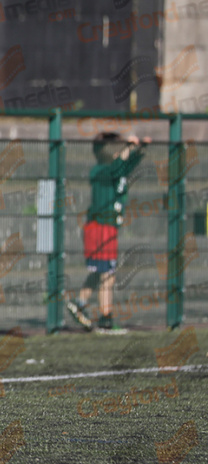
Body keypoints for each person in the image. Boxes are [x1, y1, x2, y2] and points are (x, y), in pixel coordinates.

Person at [67, 133, 150, 332]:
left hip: (108, 227)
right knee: (107, 273)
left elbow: (125, 168)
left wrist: (140, 150)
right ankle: (104, 316)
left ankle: (81, 303)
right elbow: (117, 168)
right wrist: (128, 148)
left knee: (102, 271)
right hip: (100, 227)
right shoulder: (101, 171)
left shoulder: (115, 170)